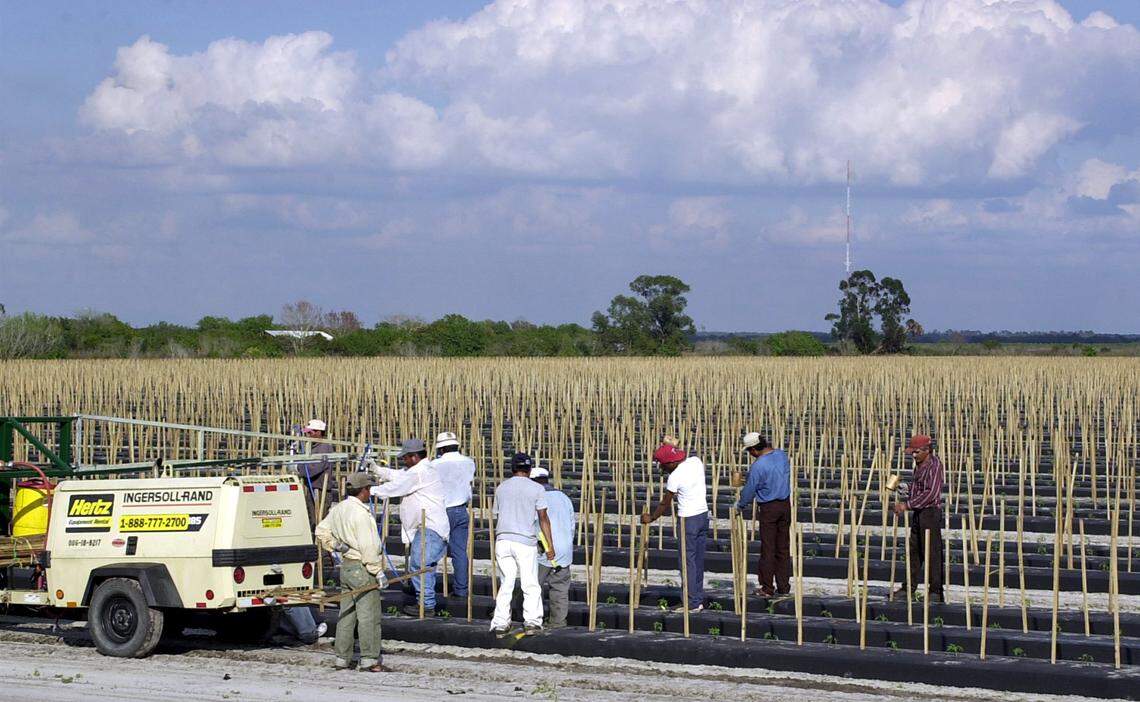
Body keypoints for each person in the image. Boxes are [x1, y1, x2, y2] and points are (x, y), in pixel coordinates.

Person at [314, 472, 387, 672]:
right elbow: (368, 547)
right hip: (362, 569)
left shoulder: (339, 508)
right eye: (369, 489)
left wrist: (336, 545)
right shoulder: (361, 514)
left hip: (346, 567)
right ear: (363, 490)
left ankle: (341, 658)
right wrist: (378, 572)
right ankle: (369, 659)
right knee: (368, 616)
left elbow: (320, 530)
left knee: (346, 614)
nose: (370, 493)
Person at [370, 439, 449, 616]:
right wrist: (377, 470)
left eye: (405, 458)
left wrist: (371, 490)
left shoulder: (420, 473)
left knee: (419, 565)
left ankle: (426, 605)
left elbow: (397, 487)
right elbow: (398, 475)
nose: (403, 461)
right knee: (423, 565)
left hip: (430, 527)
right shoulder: (418, 470)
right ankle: (424, 599)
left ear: (414, 457)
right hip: (427, 527)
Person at [490, 452, 557, 637]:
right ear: (529, 469)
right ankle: (532, 622)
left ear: (512, 468)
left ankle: (501, 623)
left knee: (506, 583)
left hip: (503, 540)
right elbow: (543, 518)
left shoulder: (501, 488)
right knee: (530, 583)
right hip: (525, 542)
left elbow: (497, 514)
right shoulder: (537, 489)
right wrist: (550, 545)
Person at [641, 441, 708, 613]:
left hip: (688, 520)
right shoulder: (696, 462)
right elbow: (676, 449)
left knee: (687, 561)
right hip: (703, 516)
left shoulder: (675, 476)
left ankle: (691, 602)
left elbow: (665, 504)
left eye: (663, 466)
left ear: (671, 463)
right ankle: (697, 599)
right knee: (697, 560)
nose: (663, 470)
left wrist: (651, 517)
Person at [736, 431, 792, 597]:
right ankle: (783, 586)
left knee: (768, 548)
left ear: (754, 449)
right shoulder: (782, 455)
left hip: (769, 508)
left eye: (749, 451)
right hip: (785, 505)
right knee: (783, 548)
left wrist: (740, 504)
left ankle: (767, 588)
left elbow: (750, 490)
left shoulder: (758, 466)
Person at [893, 434, 945, 603]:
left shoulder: (935, 466)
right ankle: (908, 588)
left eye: (916, 452)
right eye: (912, 453)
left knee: (932, 553)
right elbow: (919, 488)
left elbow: (930, 494)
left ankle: (935, 592)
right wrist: (905, 488)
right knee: (914, 552)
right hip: (919, 513)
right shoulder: (920, 465)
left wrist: (906, 505)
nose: (914, 455)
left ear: (927, 450)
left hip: (930, 514)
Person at [530, 464, 575, 628]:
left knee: (533, 586)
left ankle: (532, 619)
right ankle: (558, 622)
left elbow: (532, 524)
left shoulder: (535, 497)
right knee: (560, 588)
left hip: (544, 549)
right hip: (564, 550)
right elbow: (572, 525)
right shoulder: (564, 497)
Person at [432, 431, 476, 597]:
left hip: (442, 511)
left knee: (432, 551)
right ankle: (461, 590)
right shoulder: (469, 462)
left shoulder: (435, 465)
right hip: (461, 510)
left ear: (441, 449)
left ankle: (426, 590)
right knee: (460, 552)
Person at [297, 418, 336, 527]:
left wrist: (299, 467)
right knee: (311, 519)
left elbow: (313, 469)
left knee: (319, 521)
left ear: (318, 432)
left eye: (310, 432)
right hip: (312, 488)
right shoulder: (312, 446)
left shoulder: (324, 447)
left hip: (320, 490)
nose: (308, 435)